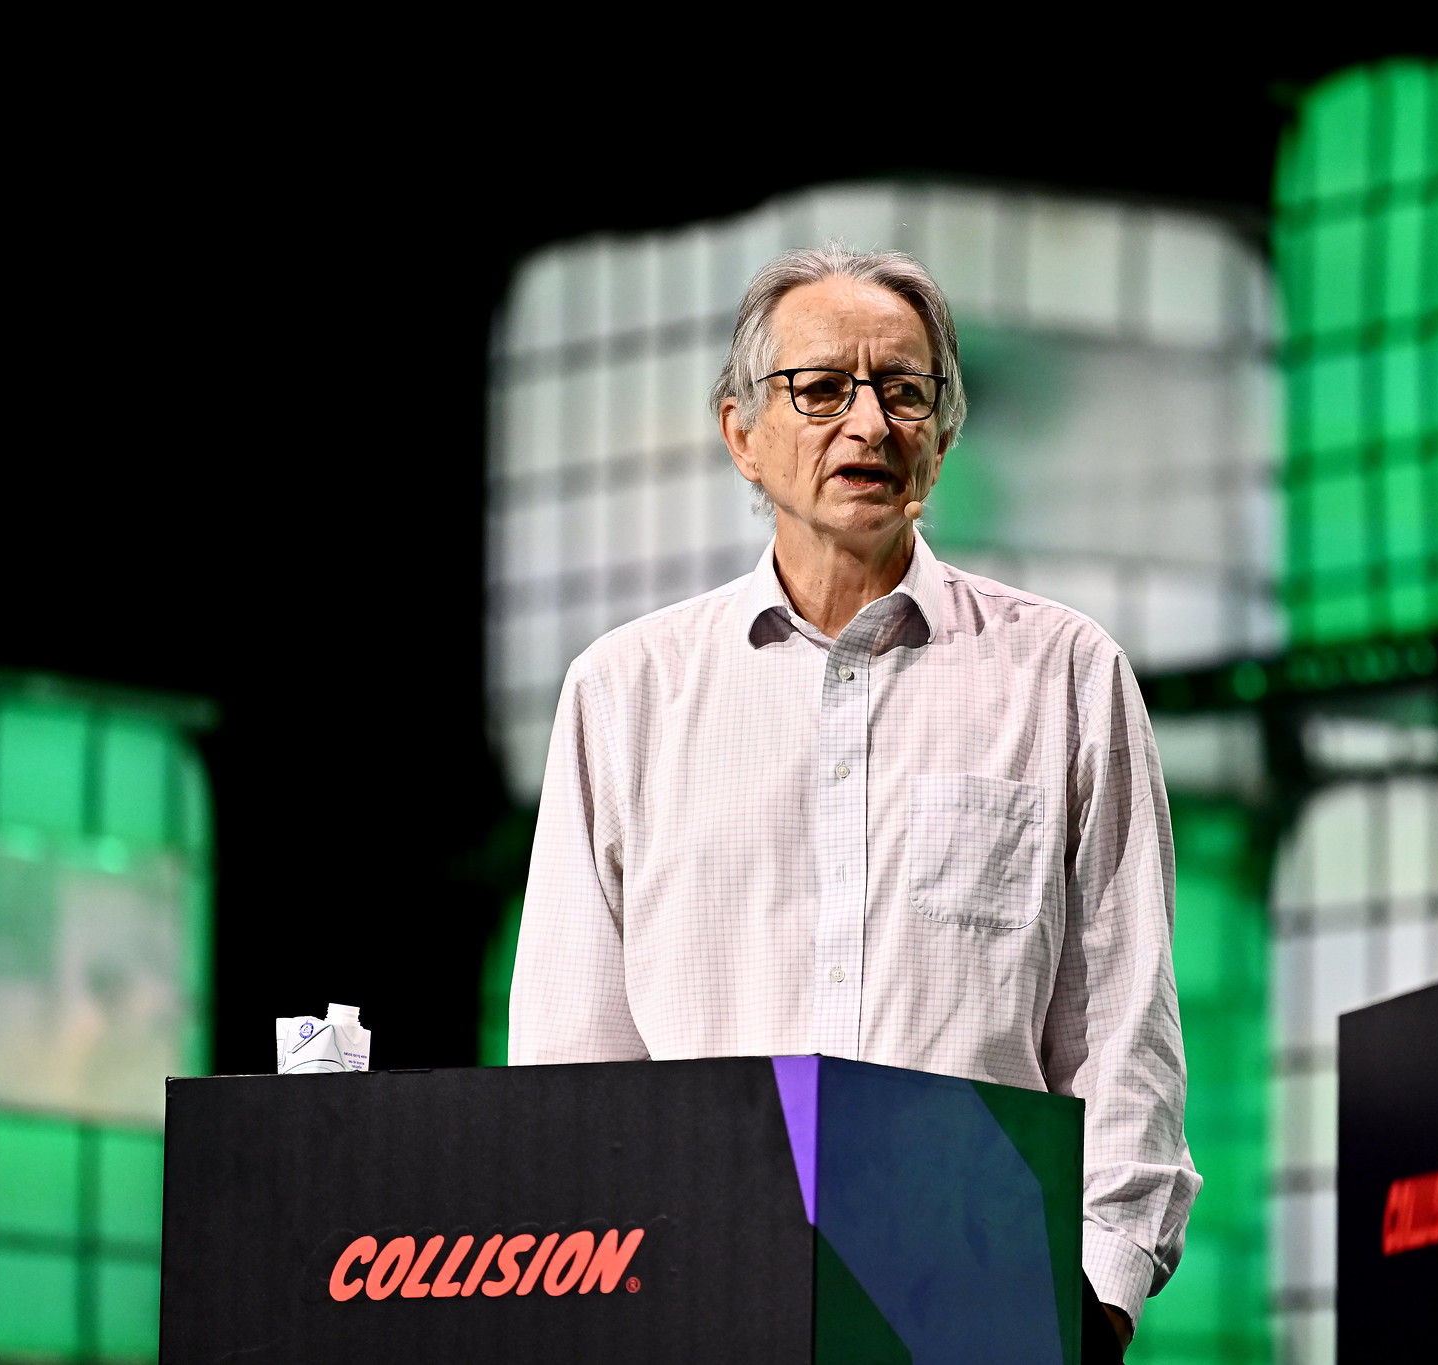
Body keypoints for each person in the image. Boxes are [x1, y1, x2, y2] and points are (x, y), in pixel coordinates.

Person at [509, 245, 1197, 1356]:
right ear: (740, 433)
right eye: (821, 389)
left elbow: (1124, 1022)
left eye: (903, 390)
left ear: (943, 430)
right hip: (688, 1290)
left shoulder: (1064, 674)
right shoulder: (622, 691)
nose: (868, 424)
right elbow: (569, 1059)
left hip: (980, 1289)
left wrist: (1099, 1296)